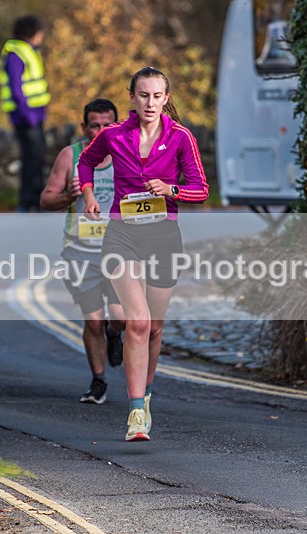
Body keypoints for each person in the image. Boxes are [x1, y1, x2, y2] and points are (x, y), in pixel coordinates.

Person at [78, 67, 209, 441]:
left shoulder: (181, 137)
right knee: (136, 321)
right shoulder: (114, 135)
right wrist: (89, 195)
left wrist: (171, 189)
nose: (150, 103)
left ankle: (146, 396)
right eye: (143, 95)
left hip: (164, 237)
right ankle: (136, 413)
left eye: (157, 96)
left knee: (153, 327)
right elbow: (86, 162)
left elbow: (201, 190)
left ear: (166, 98)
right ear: (132, 97)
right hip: (122, 235)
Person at [40, 98, 126, 405]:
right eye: (94, 125)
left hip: (119, 249)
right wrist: (67, 195)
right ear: (84, 127)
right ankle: (98, 380)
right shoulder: (70, 156)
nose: (101, 131)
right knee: (92, 321)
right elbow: (45, 199)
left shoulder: (129, 153)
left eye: (108, 125)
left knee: (118, 317)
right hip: (79, 251)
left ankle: (115, 334)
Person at [0, 15, 51, 212]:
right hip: (26, 116)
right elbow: (17, 89)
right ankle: (29, 200)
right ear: (33, 33)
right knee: (32, 158)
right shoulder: (16, 54)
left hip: (34, 115)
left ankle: (34, 199)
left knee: (36, 157)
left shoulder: (27, 52)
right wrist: (28, 115)